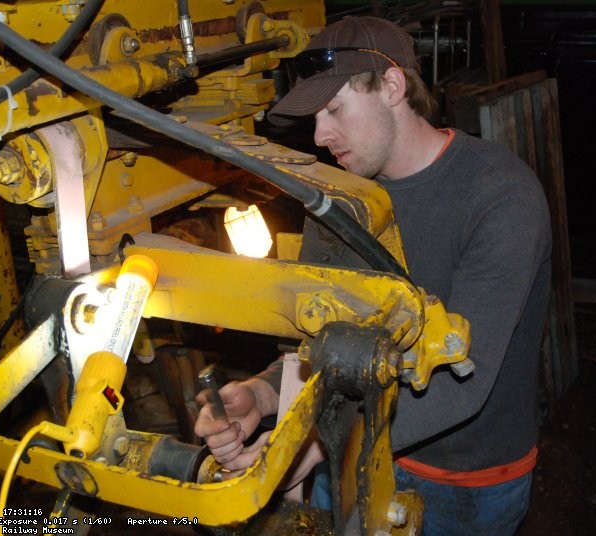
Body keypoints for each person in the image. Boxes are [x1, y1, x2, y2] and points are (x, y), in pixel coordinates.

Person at [194, 15, 552, 536]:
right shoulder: (337, 202)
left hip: (463, 482)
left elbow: (461, 380)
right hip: (343, 454)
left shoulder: (500, 197)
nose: (319, 136)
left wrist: (306, 442)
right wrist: (266, 395)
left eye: (334, 109)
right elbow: (317, 342)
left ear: (392, 86)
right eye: (315, 117)